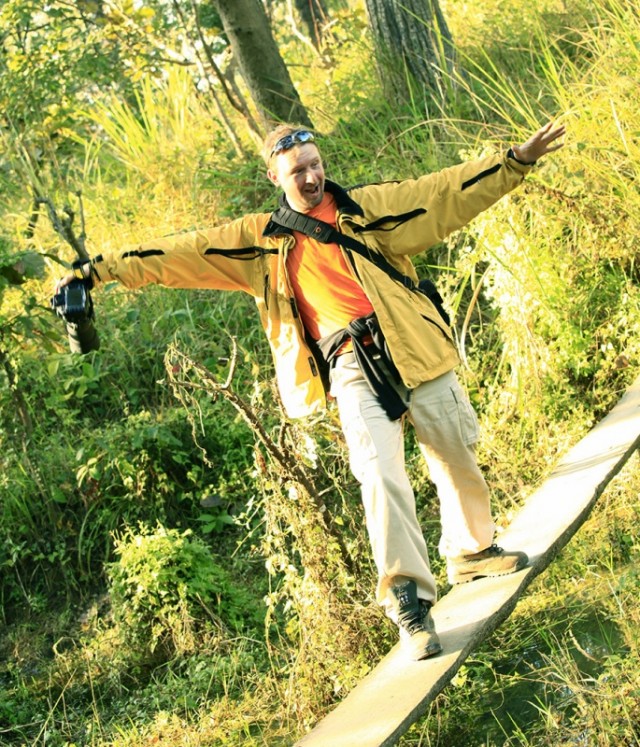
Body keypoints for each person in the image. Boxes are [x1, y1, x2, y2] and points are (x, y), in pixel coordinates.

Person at [56, 120, 565, 661]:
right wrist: (97, 272)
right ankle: (409, 603)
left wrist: (514, 161)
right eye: (298, 170)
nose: (311, 176)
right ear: (274, 176)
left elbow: (445, 192)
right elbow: (179, 252)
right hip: (351, 366)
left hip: (414, 344)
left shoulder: (366, 208)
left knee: (455, 452)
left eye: (316, 164)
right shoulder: (259, 240)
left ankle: (471, 550)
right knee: (380, 476)